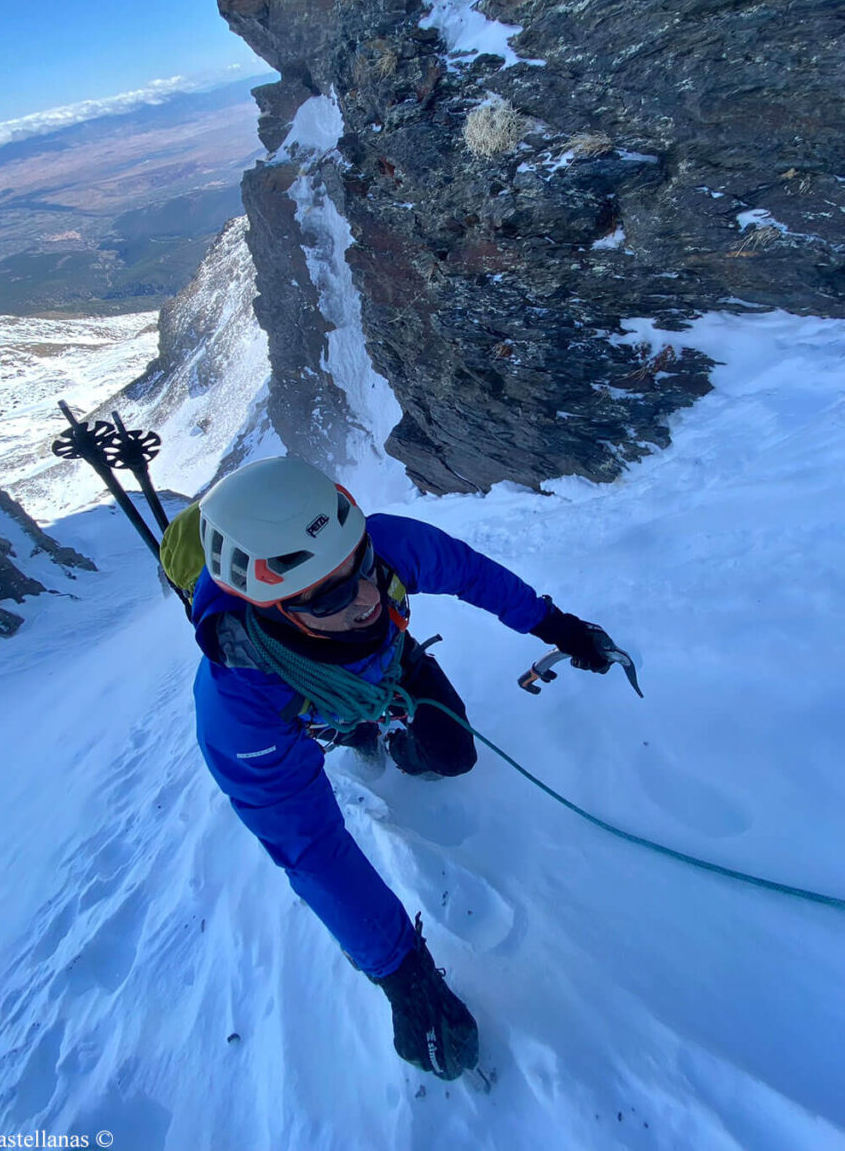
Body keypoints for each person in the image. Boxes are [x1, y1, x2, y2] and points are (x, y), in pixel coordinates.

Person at [187, 455, 614, 1080]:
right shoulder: (238, 706)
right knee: (355, 729)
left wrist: (555, 625)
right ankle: (363, 735)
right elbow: (310, 848)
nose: (364, 599)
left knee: (453, 756)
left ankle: (389, 738)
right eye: (332, 593)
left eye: (360, 567)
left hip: (393, 668)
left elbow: (471, 575)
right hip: (311, 703)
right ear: (271, 603)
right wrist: (403, 976)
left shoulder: (382, 546)